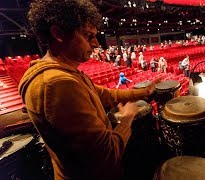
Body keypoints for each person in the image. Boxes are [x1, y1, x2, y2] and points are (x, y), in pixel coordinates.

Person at [19, 1, 156, 179]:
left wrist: (141, 93)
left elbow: (103, 94)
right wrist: (127, 119)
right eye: (88, 36)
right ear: (58, 33)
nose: (96, 44)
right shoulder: (57, 84)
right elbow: (105, 156)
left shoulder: (65, 73)